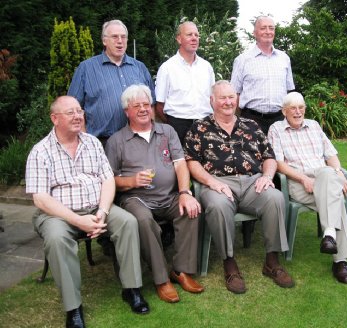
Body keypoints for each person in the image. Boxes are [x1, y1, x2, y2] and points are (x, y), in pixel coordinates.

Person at [25, 96, 149, 328]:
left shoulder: (92, 142)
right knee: (56, 238)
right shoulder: (40, 151)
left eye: (79, 111)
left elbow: (108, 180)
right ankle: (73, 308)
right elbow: (40, 198)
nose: (77, 116)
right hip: (58, 215)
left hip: (95, 207)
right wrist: (78, 221)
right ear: (55, 119)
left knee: (128, 222)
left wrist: (102, 212)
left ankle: (131, 289)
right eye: (70, 112)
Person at [184, 80, 294, 294]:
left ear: (237, 99)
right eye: (222, 98)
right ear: (212, 101)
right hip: (218, 184)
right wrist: (211, 182)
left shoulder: (251, 126)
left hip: (253, 182)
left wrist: (267, 176)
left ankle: (272, 261)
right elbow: (191, 161)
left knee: (275, 198)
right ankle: (229, 263)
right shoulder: (200, 127)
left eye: (231, 97)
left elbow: (269, 156)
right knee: (217, 206)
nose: (228, 102)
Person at [105, 84, 204, 303]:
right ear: (126, 112)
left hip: (168, 196)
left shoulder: (167, 132)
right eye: (136, 105)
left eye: (146, 104)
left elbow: (180, 164)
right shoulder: (116, 141)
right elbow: (108, 181)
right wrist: (131, 181)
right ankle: (161, 279)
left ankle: (181, 270)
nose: (143, 109)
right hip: (136, 199)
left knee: (191, 209)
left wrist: (185, 192)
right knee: (142, 220)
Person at [268, 92, 347, 284]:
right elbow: (278, 163)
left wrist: (339, 170)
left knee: (327, 173)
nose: (298, 112)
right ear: (284, 111)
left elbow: (330, 154)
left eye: (301, 107)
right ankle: (340, 261)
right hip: (298, 182)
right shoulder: (276, 129)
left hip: (323, 178)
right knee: (336, 198)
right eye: (293, 108)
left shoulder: (314, 126)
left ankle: (330, 234)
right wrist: (303, 178)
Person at [68, 19, 155, 145]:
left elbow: (151, 105)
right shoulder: (86, 69)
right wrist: (84, 141)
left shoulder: (139, 67)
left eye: (123, 37)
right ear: (104, 40)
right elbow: (73, 108)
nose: (120, 41)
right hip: (100, 142)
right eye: (114, 37)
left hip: (139, 142)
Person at [231, 15, 295, 134]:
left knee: (278, 153)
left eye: (271, 28)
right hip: (251, 120)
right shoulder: (242, 60)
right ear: (254, 33)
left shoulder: (284, 58)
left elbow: (289, 91)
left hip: (280, 120)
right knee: (250, 153)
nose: (268, 31)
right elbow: (235, 94)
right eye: (263, 28)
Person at [155, 21, 215, 143]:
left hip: (205, 125)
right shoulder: (167, 68)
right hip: (177, 126)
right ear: (179, 39)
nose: (194, 38)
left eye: (196, 35)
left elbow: (212, 98)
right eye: (189, 35)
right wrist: (174, 123)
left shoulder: (206, 67)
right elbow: (159, 105)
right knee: (179, 161)